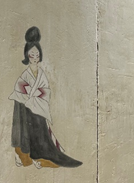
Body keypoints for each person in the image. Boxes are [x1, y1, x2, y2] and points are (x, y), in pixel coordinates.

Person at [9, 26, 82, 169]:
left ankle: (42, 156)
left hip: (38, 107)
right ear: (27, 56)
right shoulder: (25, 75)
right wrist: (31, 95)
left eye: (37, 55)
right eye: (32, 55)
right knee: (28, 133)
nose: (35, 58)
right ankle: (28, 156)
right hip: (27, 109)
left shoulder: (42, 74)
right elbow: (20, 89)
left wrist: (34, 94)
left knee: (41, 134)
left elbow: (45, 91)